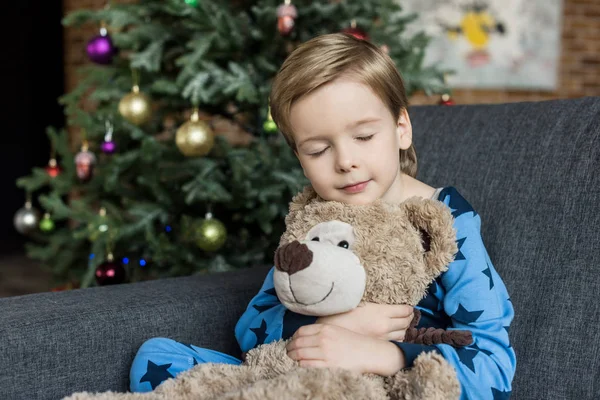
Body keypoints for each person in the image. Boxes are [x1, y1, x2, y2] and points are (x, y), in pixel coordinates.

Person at [130, 33, 516, 399]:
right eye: (317, 150)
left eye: (364, 137)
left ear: (401, 128)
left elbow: (493, 366)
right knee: (157, 356)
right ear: (299, 158)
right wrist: (329, 329)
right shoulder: (315, 219)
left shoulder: (448, 219)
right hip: (293, 378)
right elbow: (250, 332)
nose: (346, 162)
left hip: (385, 386)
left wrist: (381, 353)